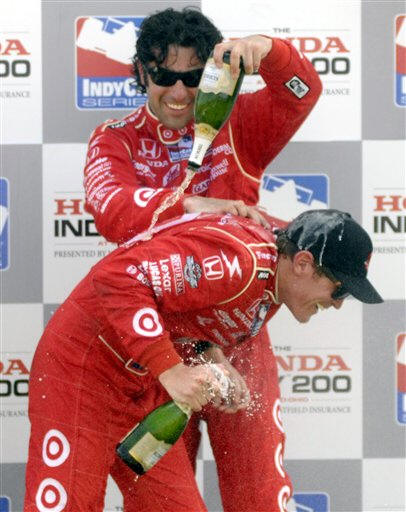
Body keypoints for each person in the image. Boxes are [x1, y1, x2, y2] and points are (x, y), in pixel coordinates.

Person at [83, 7, 323, 510]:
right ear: (142, 71)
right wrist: (190, 204)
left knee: (260, 494)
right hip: (156, 346)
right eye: (162, 75)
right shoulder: (115, 137)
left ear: (213, 76)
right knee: (161, 503)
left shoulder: (241, 125)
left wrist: (270, 51)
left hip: (238, 337)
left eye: (193, 78)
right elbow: (111, 212)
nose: (178, 92)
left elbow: (303, 92)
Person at [24, 209, 382, 511]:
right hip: (82, 373)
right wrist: (171, 369)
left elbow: (181, 304)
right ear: (303, 263)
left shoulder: (274, 280)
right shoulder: (240, 262)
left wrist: (210, 353)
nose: (338, 304)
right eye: (340, 289)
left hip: (138, 386)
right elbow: (119, 277)